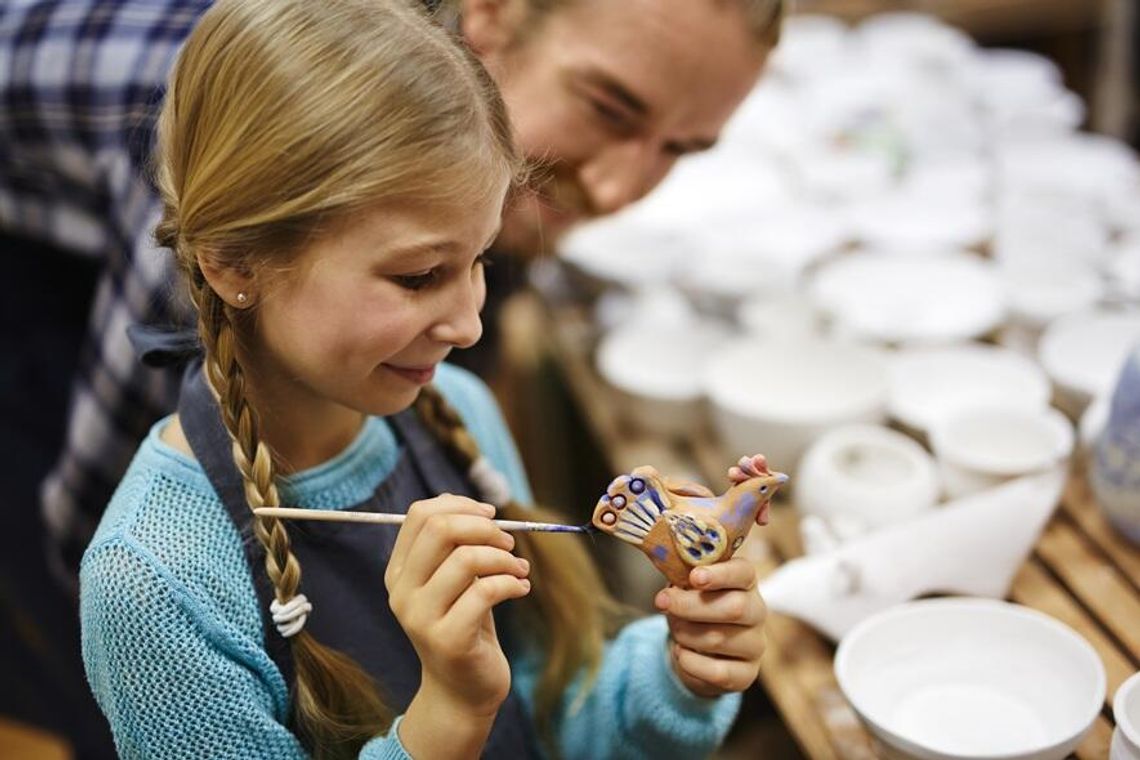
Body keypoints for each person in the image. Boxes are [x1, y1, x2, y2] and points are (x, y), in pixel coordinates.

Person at [79, 1, 769, 757]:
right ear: (235, 263)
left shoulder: (460, 410)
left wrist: (675, 678)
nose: (470, 324)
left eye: (479, 262)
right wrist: (447, 716)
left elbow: (547, 714)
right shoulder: (154, 582)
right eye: (418, 276)